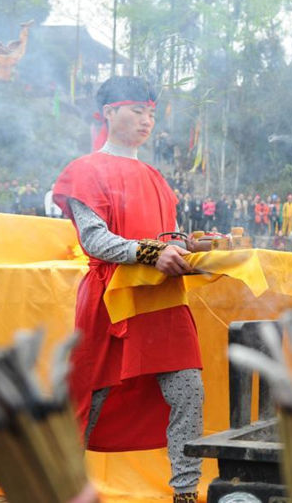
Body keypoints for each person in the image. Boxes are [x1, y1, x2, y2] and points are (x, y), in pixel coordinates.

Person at [52, 76, 206, 503]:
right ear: (109, 113)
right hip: (108, 299)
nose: (147, 120)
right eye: (137, 110)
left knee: (188, 392)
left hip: (160, 299)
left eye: (152, 113)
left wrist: (187, 248)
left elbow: (166, 236)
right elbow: (95, 240)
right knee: (89, 398)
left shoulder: (155, 176)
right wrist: (152, 252)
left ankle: (186, 493)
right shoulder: (84, 170)